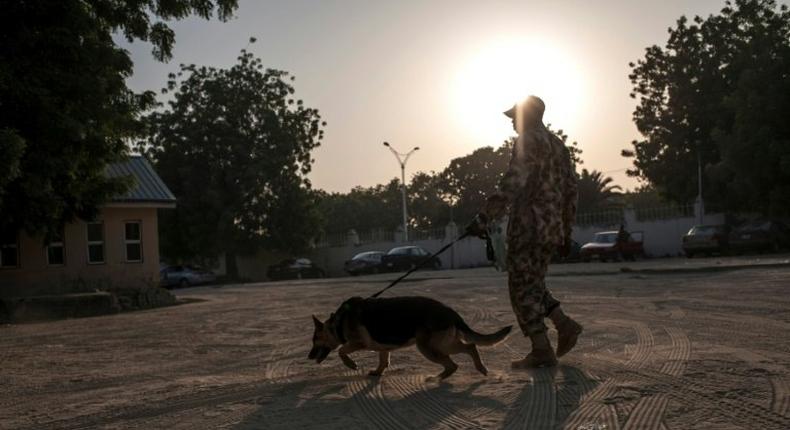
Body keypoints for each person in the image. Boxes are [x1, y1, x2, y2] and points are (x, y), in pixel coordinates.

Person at [467, 96, 583, 368]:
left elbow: (513, 182)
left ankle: (541, 348)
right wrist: (566, 232)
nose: (512, 124)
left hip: (528, 227)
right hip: (551, 230)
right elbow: (571, 190)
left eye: (514, 118)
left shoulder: (527, 141)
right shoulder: (558, 145)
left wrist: (484, 218)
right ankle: (564, 325)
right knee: (533, 283)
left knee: (521, 288)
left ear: (530, 116)